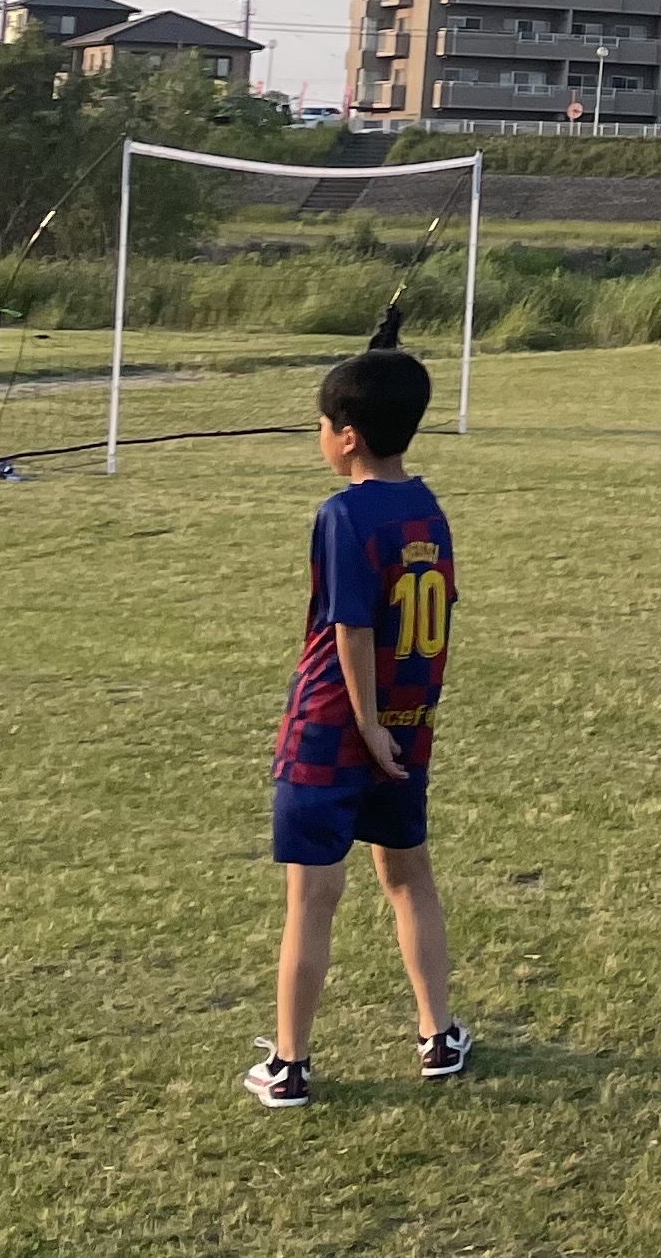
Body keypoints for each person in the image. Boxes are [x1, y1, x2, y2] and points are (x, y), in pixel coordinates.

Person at [244, 349, 470, 1107]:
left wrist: (367, 726)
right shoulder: (428, 508)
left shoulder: (341, 513)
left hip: (334, 731)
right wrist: (395, 724)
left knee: (311, 899)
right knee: (410, 879)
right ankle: (437, 1035)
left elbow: (352, 627)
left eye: (321, 425)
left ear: (344, 436)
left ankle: (289, 1065)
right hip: (409, 727)